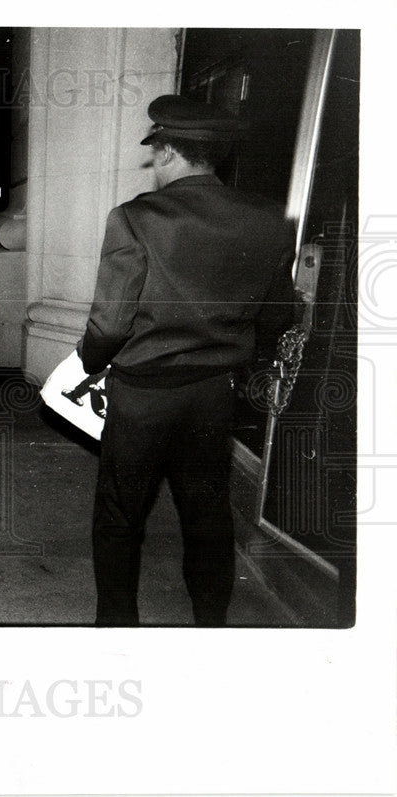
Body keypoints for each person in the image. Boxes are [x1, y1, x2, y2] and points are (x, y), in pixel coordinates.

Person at [78, 94, 296, 627]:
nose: (154, 165)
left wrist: (87, 361)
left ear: (170, 152)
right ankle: (208, 624)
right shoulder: (269, 219)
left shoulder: (136, 217)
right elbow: (277, 316)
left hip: (142, 395)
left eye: (156, 154)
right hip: (212, 396)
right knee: (206, 514)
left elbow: (109, 323)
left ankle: (117, 627)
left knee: (119, 515)